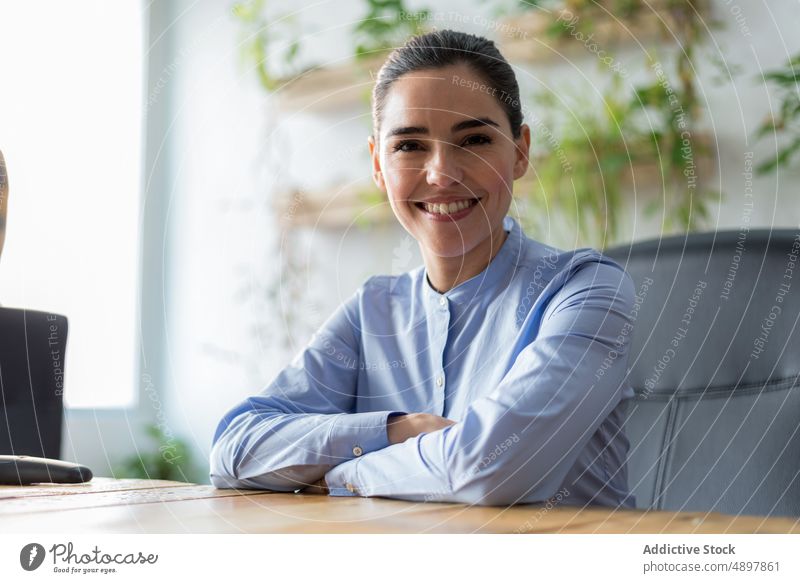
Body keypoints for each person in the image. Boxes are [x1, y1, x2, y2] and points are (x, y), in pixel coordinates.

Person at [209, 29, 637, 508]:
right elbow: (235, 449)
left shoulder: (585, 292)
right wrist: (397, 429)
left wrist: (338, 475)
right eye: (410, 146)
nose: (440, 173)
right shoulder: (374, 309)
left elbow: (486, 468)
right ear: (378, 163)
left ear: (520, 152)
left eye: (474, 139)